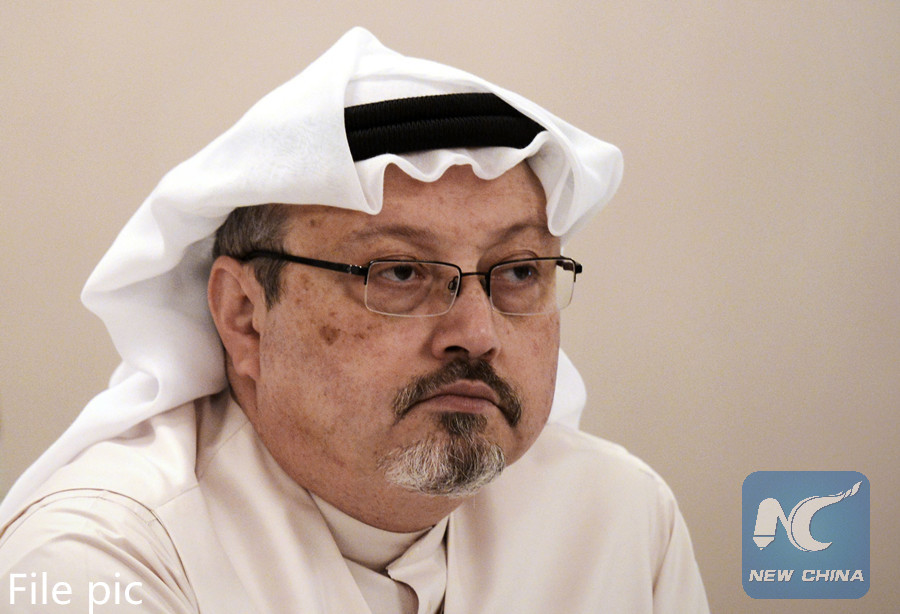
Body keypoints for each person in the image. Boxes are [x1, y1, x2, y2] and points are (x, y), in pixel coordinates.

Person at [0, 28, 708, 613]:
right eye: (399, 272)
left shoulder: (620, 518)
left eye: (519, 272)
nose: (477, 333)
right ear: (245, 317)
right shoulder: (101, 561)